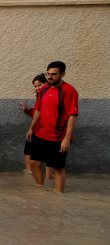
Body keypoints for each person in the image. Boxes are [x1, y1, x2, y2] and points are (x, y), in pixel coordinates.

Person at [26, 61, 78, 193]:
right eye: (48, 74)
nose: (49, 77)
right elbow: (38, 110)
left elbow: (72, 115)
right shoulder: (43, 89)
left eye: (54, 74)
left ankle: (58, 197)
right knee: (34, 163)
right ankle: (41, 192)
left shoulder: (69, 91)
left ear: (63, 74)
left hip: (59, 138)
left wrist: (67, 139)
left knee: (58, 168)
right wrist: (31, 128)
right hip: (41, 134)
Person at [18, 73, 54, 179]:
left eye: (39, 85)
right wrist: (26, 110)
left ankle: (48, 176)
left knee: (48, 153)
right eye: (35, 86)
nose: (37, 88)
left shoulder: (51, 95)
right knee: (28, 149)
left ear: (46, 83)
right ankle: (29, 173)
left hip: (46, 129)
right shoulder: (40, 96)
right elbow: (37, 111)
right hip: (36, 128)